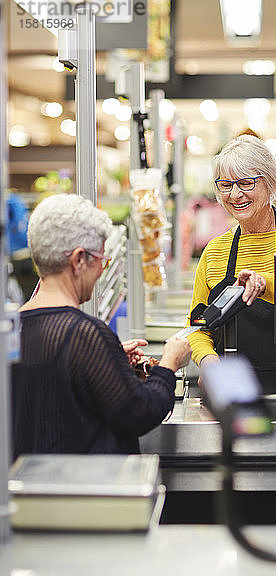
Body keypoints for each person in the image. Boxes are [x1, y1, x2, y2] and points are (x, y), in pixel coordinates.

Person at [12, 193, 191, 460]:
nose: (100, 271)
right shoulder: (83, 333)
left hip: (30, 493)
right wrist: (169, 364)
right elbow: (139, 412)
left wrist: (109, 361)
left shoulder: (13, 328)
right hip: (83, 493)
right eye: (101, 261)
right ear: (79, 260)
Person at [187, 135, 276, 393]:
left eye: (245, 183)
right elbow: (197, 326)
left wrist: (264, 284)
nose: (235, 194)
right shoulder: (215, 251)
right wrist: (207, 360)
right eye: (226, 185)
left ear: (270, 182)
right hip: (230, 391)